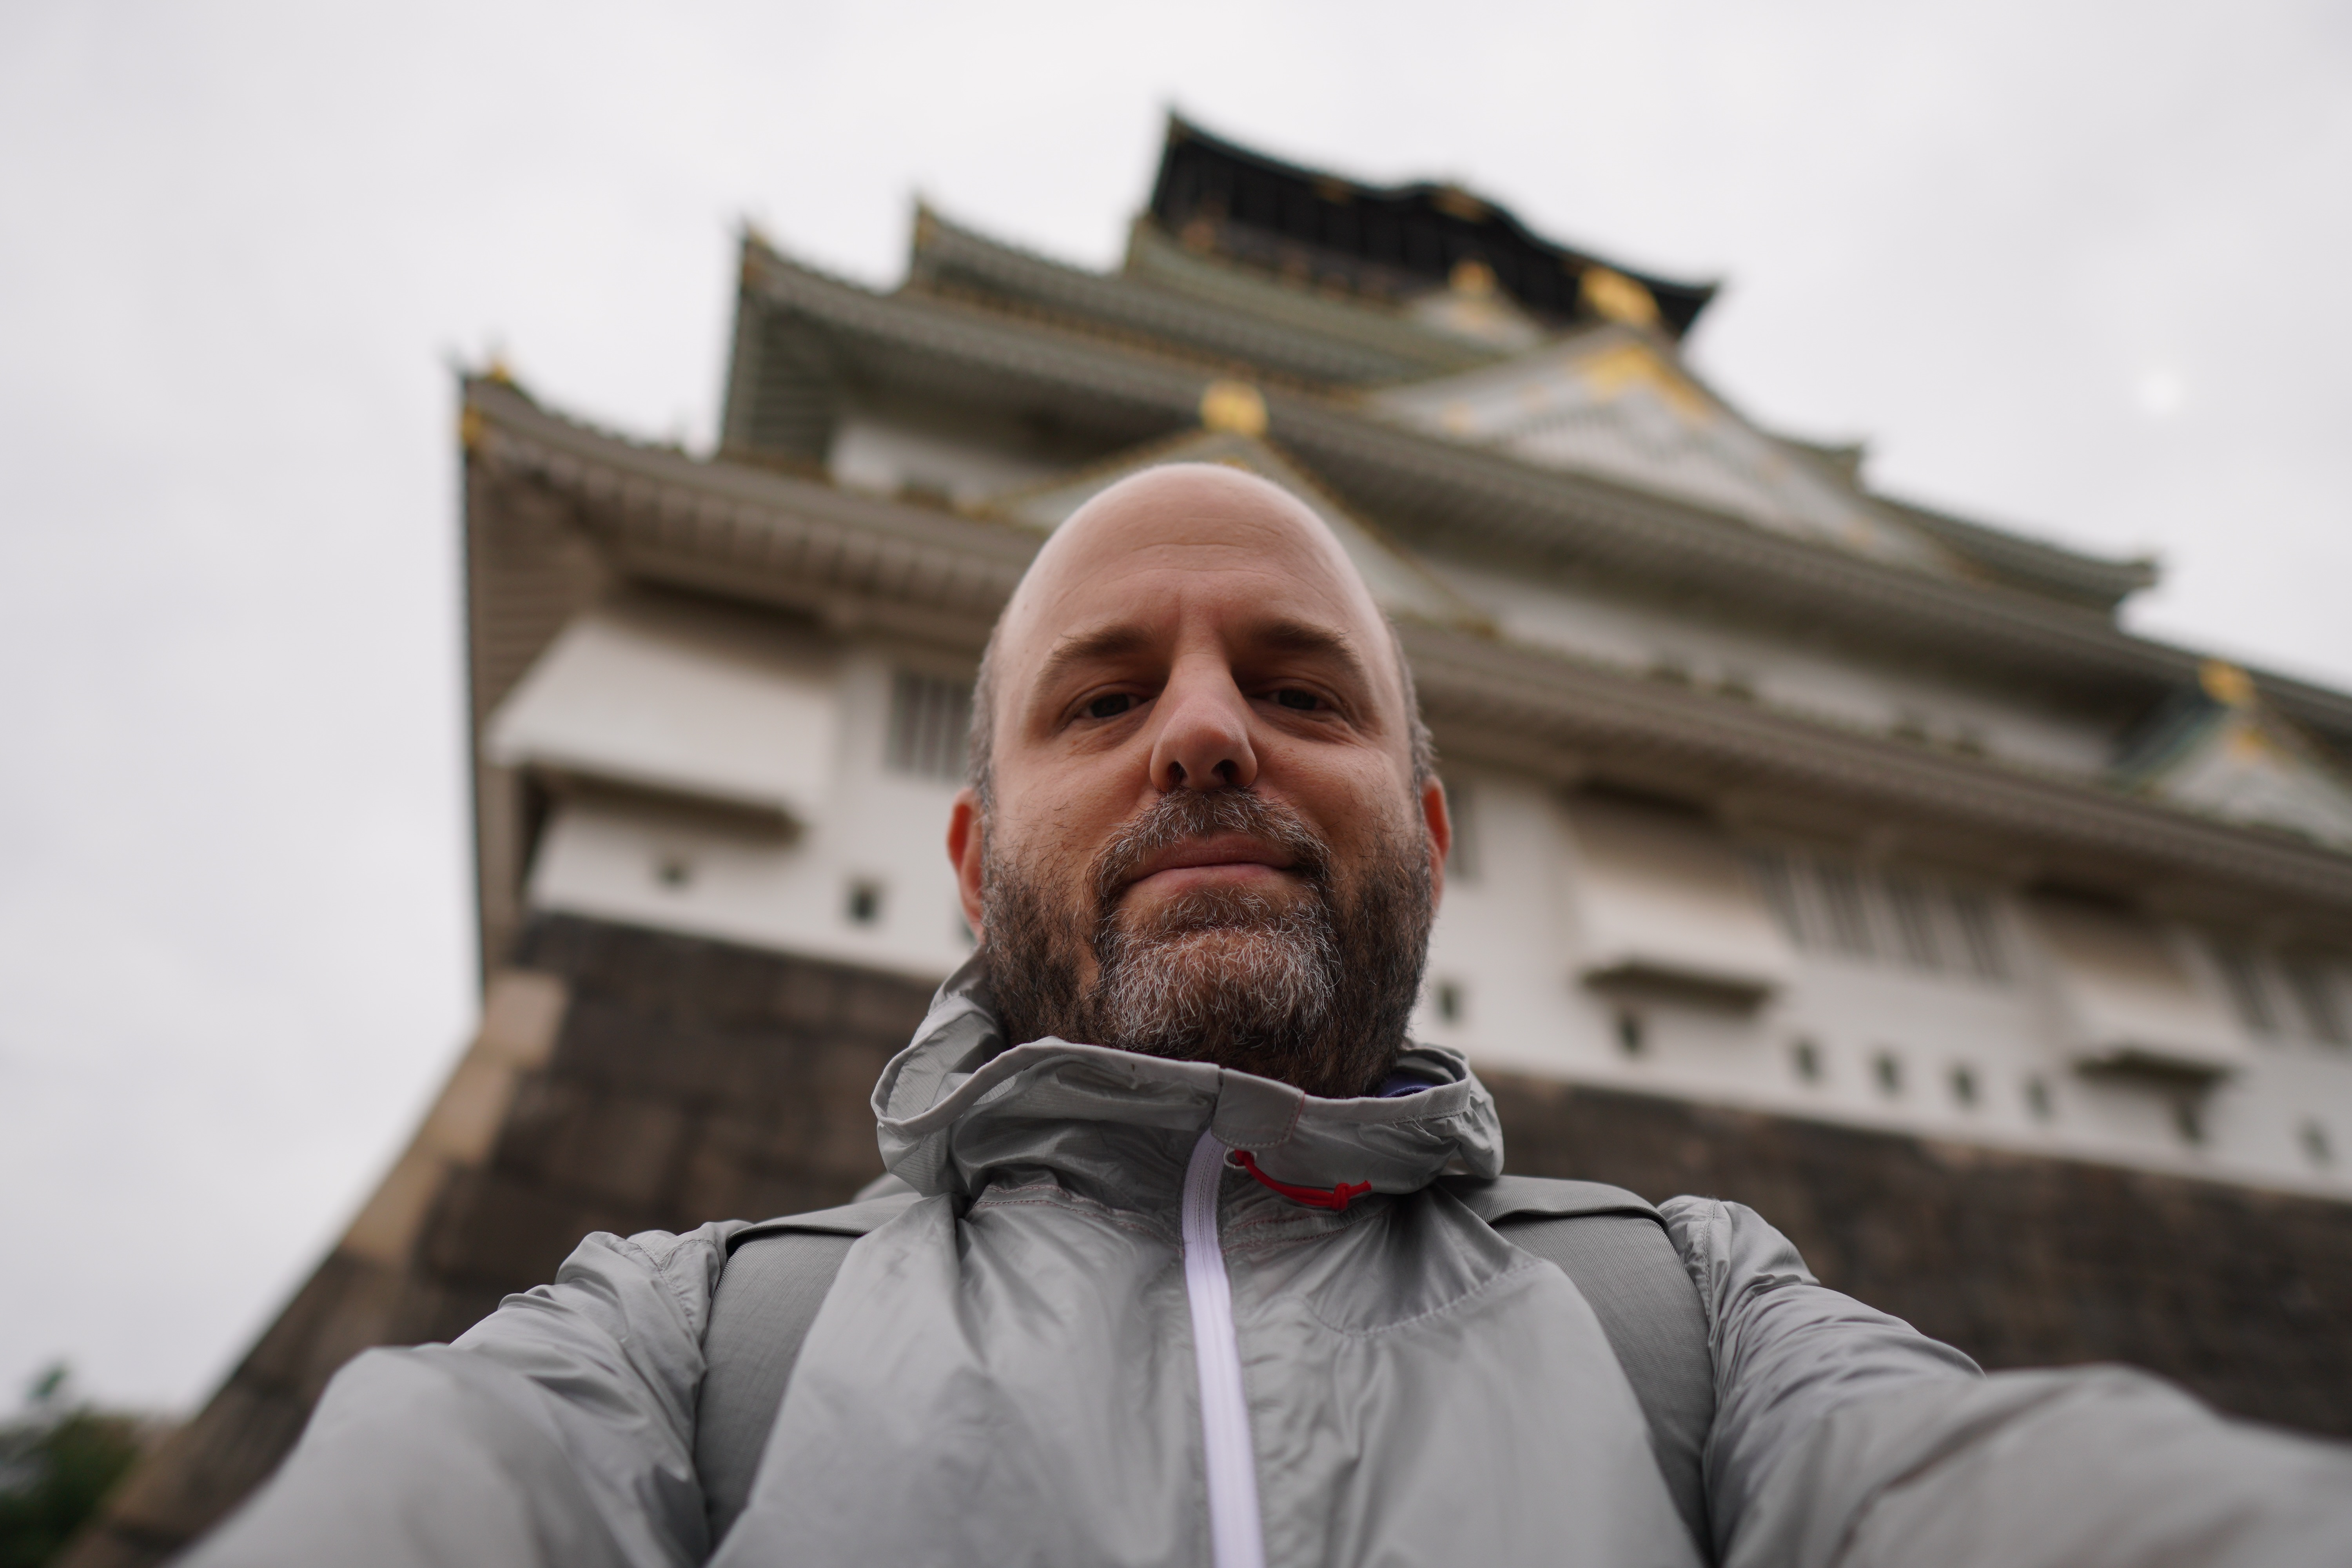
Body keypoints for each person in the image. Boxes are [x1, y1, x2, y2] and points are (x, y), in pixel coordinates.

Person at [192, 465, 2349, 1568]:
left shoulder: (1700, 1327)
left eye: (1296, 689)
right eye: (1109, 695)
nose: (1208, 736)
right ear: (963, 861)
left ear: (1425, 828)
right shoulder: (672, 1354)